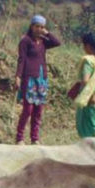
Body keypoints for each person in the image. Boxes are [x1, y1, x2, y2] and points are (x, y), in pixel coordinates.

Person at [14, 14, 61, 145]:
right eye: (37, 26)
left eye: (42, 27)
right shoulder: (26, 41)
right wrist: (18, 76)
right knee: (27, 109)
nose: (39, 29)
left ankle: (35, 138)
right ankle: (20, 137)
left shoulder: (44, 42)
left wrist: (47, 33)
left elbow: (57, 42)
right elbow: (21, 60)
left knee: (38, 110)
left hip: (41, 79)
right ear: (32, 26)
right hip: (29, 79)